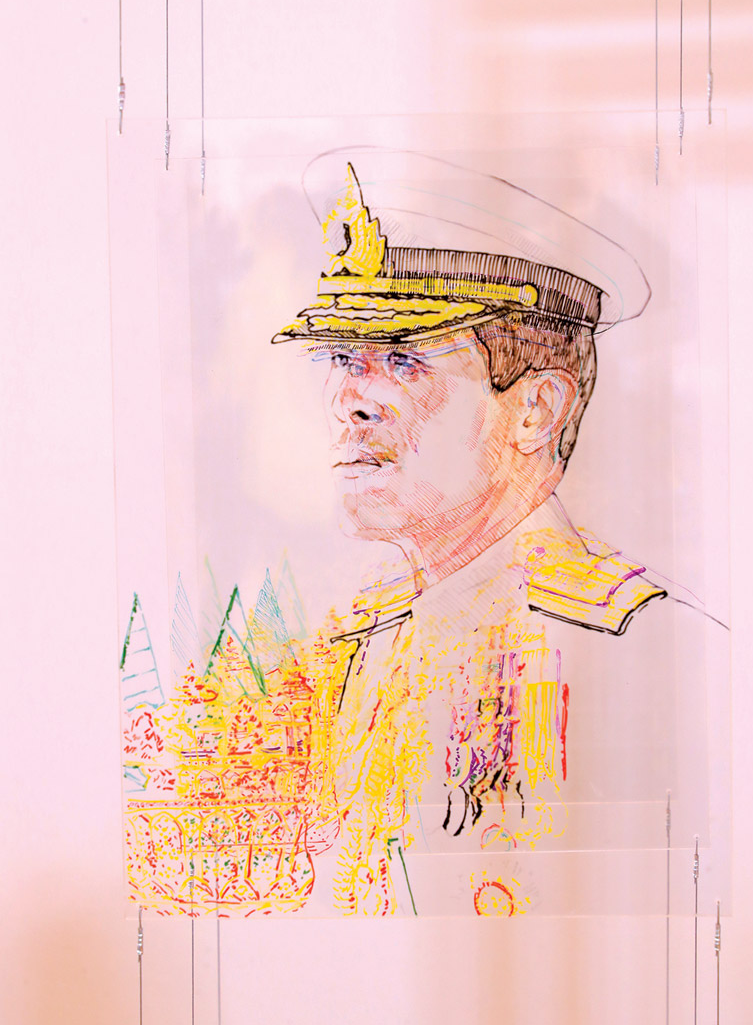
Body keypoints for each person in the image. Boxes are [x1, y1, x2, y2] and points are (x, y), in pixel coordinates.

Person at [272, 147, 728, 918]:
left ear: (537, 410)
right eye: (344, 356)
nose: (350, 399)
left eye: (404, 360)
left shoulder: (652, 654)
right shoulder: (354, 649)